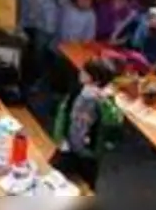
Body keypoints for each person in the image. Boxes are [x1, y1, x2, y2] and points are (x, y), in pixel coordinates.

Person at [51, 56, 120, 190]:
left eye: (85, 71)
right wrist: (60, 137)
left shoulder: (105, 100)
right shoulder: (77, 90)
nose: (80, 72)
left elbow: (114, 121)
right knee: (55, 176)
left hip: (89, 153)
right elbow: (63, 112)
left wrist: (104, 101)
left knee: (85, 186)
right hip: (68, 145)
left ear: (96, 79)